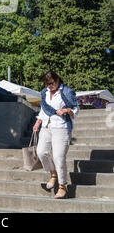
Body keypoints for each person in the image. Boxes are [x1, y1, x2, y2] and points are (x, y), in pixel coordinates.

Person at [33, 70, 79, 199]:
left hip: (61, 127)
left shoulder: (66, 91)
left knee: (58, 156)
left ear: (58, 80)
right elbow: (44, 108)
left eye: (51, 83)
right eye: (47, 84)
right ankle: (53, 174)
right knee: (41, 152)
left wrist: (67, 110)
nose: (49, 86)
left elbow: (76, 108)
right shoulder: (44, 92)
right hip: (46, 126)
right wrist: (38, 122)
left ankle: (62, 186)